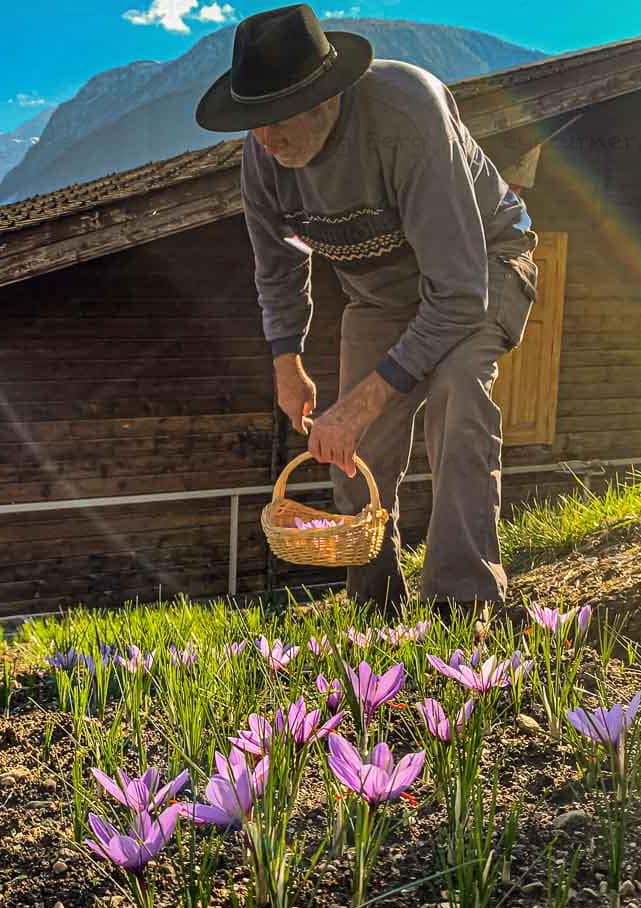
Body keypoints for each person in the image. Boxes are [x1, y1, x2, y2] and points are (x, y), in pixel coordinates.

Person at [195, 4, 538, 620]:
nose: (266, 139)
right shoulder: (263, 157)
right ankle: (375, 608)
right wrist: (287, 361)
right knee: (350, 449)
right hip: (379, 297)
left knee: (458, 392)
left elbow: (458, 296)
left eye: (277, 119)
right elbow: (278, 266)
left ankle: (462, 603)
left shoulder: (407, 116)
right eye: (253, 123)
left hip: (482, 268)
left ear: (325, 97)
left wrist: (360, 403)